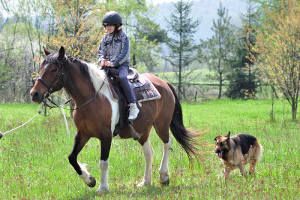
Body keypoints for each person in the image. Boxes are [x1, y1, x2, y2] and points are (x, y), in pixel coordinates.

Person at [98, 11, 139, 121]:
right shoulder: (105, 38)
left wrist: (114, 63)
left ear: (117, 25)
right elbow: (100, 51)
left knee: (122, 78)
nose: (108, 27)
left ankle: (133, 105)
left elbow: (125, 54)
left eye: (110, 25)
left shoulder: (123, 37)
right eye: (106, 25)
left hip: (121, 66)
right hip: (107, 66)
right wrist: (102, 60)